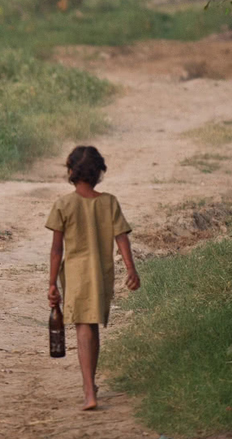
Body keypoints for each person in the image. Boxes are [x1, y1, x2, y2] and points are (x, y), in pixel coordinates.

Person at [45, 146, 140, 411]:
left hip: (75, 276)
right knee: (92, 326)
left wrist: (52, 283)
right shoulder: (109, 202)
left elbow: (56, 249)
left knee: (84, 327)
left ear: (71, 172)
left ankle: (88, 390)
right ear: (99, 172)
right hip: (101, 274)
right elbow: (122, 238)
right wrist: (131, 269)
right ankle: (91, 384)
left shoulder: (64, 204)